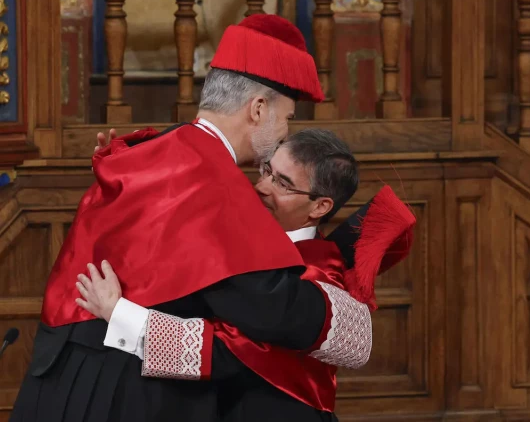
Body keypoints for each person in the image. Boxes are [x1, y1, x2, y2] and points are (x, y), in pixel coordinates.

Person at [10, 15, 370, 422]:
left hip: (60, 375)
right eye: (286, 117)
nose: (285, 132)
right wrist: (344, 318)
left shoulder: (157, 147)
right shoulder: (212, 180)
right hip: (123, 390)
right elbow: (264, 305)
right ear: (258, 109)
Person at [76, 129, 416, 422]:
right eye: (266, 170)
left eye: (282, 183)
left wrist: (118, 313)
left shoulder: (316, 274)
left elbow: (217, 354)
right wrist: (123, 179)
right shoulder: (237, 227)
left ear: (320, 207)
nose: (261, 187)